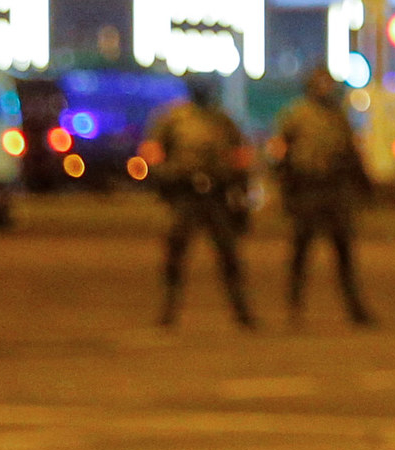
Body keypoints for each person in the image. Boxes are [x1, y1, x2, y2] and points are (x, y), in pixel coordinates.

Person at [140, 73, 256, 329]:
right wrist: (166, 178)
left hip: (216, 195)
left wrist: (238, 185)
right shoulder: (173, 119)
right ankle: (168, 312)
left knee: (229, 255)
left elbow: (240, 154)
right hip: (185, 194)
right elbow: (153, 151)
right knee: (175, 254)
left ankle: (242, 312)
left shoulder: (222, 121)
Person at [268, 66, 373, 326]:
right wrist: (286, 188)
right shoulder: (296, 115)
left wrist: (364, 185)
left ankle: (355, 309)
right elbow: (281, 154)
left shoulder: (338, 117)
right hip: (309, 189)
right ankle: (294, 308)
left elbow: (351, 154)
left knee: (343, 253)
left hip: (334, 191)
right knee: (301, 253)